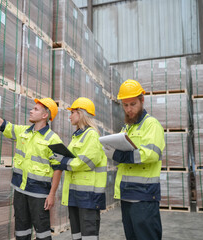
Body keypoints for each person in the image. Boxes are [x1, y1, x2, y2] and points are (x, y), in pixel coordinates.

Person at [0, 97, 63, 240]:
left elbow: (58, 168)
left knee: (42, 232)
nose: (31, 111)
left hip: (39, 194)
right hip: (20, 190)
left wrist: (51, 194)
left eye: (35, 109)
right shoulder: (23, 132)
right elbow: (2, 124)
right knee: (21, 230)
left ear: (45, 116)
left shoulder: (53, 139)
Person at [106, 79, 165, 240]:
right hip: (127, 195)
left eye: (133, 104)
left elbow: (152, 153)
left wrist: (121, 156)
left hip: (144, 197)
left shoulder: (151, 124)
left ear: (142, 100)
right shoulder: (127, 127)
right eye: (125, 105)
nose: (129, 109)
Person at [51, 97, 107, 240]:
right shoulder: (77, 136)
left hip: (89, 197)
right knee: (77, 236)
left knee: (89, 236)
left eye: (72, 112)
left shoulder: (92, 135)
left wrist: (63, 162)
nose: (69, 116)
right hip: (75, 195)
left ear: (81, 113)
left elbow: (86, 162)